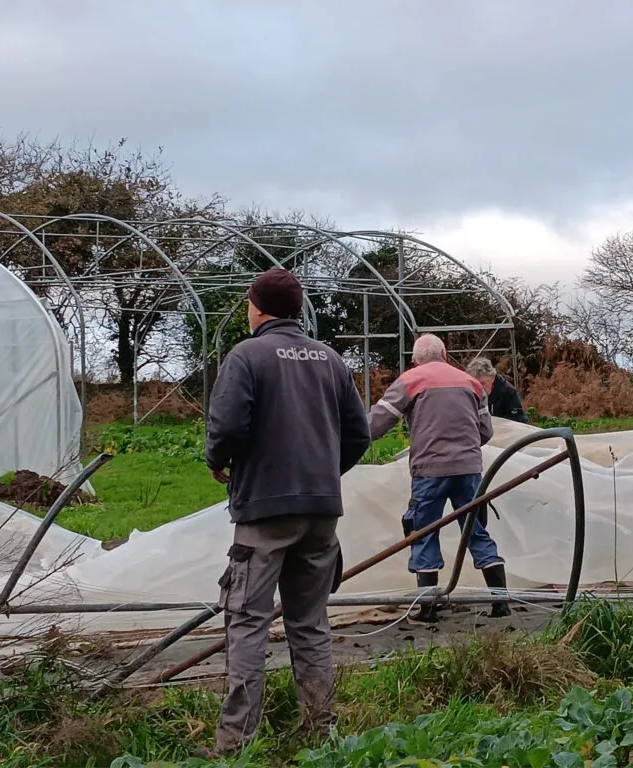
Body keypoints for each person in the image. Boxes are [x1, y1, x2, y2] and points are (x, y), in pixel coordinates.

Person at [204, 268, 371, 755]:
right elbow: (358, 434)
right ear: (297, 311)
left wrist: (219, 461)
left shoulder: (246, 355)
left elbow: (228, 423)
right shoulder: (330, 360)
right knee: (310, 623)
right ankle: (321, 733)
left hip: (265, 513)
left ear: (256, 307)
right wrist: (323, 473)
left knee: (247, 621)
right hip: (321, 514)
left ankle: (235, 745)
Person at [368, 335, 511, 623]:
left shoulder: (411, 380)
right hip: (469, 470)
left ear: (415, 359)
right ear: (444, 354)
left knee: (423, 531)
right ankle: (501, 602)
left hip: (429, 471)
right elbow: (486, 431)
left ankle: (428, 608)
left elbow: (377, 422)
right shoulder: (470, 382)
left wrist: (342, 439)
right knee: (475, 530)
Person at [465, 357, 530, 424]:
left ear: (492, 378)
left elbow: (518, 419)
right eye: (475, 383)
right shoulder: (467, 392)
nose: (478, 387)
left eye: (482, 383)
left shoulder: (508, 392)